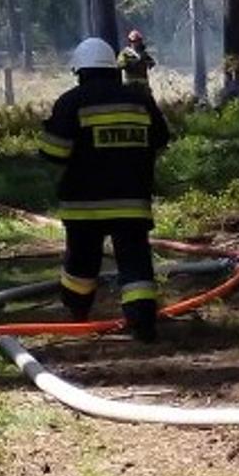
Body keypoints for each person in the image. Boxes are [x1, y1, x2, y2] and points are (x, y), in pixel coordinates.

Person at [40, 37, 172, 342]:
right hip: (132, 202)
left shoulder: (72, 102)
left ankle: (77, 314)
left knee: (81, 263)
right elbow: (161, 140)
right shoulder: (140, 100)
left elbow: (54, 153)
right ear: (114, 68)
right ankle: (142, 324)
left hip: (84, 205)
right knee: (135, 262)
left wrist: (49, 131)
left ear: (80, 71)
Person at [119, 29, 156, 94]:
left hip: (143, 84)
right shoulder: (125, 53)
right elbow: (120, 64)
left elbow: (152, 63)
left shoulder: (144, 54)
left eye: (138, 41)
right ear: (130, 42)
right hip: (130, 83)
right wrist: (133, 63)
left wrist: (148, 62)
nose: (136, 43)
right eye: (134, 41)